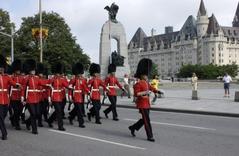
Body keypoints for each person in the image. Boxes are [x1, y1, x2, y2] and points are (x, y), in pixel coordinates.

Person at [128, 58, 161, 142]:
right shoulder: (137, 84)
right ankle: (150, 136)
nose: (147, 76)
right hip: (142, 104)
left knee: (144, 119)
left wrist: (158, 91)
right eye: (146, 75)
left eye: (147, 74)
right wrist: (145, 92)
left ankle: (133, 127)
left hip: (147, 103)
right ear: (142, 75)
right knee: (147, 120)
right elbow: (136, 94)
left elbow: (152, 88)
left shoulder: (146, 83)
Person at [21, 59, 48, 135]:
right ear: (29, 71)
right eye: (32, 70)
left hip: (36, 99)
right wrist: (23, 97)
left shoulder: (36, 78)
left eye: (34, 70)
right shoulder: (26, 79)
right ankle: (34, 129)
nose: (33, 71)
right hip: (29, 99)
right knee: (33, 113)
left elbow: (42, 83)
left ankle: (27, 122)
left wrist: (49, 84)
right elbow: (23, 88)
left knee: (37, 114)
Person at [0, 55, 20, 140]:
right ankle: (4, 133)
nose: (1, 69)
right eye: (0, 68)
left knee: (4, 115)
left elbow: (12, 82)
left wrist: (17, 85)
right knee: (0, 117)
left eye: (2, 68)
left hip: (5, 99)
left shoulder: (7, 77)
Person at [47, 62, 69, 131]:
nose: (59, 74)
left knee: (58, 111)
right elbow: (49, 90)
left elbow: (66, 85)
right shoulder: (51, 80)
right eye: (58, 73)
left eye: (59, 73)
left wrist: (71, 88)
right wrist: (49, 99)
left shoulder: (62, 79)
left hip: (60, 97)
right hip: (54, 97)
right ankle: (60, 126)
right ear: (55, 72)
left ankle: (50, 120)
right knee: (59, 111)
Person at [68, 62, 89, 128]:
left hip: (80, 96)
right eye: (79, 73)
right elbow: (70, 89)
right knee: (79, 110)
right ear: (76, 73)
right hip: (75, 96)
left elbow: (84, 87)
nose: (80, 75)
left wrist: (88, 92)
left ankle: (71, 117)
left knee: (77, 109)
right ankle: (81, 123)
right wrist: (70, 97)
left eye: (80, 73)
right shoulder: (73, 80)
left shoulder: (82, 80)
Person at [9, 59, 24, 130]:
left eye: (19, 70)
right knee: (16, 110)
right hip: (13, 96)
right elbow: (10, 85)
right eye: (17, 70)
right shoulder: (11, 77)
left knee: (20, 111)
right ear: (15, 70)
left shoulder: (22, 78)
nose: (18, 71)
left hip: (20, 96)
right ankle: (17, 124)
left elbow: (23, 87)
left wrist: (22, 96)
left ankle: (12, 118)